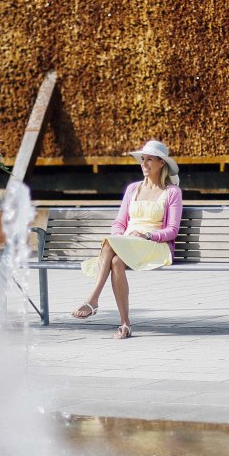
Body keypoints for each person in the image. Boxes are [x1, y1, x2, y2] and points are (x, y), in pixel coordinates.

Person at [70, 140, 183, 339]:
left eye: (149, 160)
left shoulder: (172, 192)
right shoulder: (133, 189)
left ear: (161, 163)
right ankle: (125, 324)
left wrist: (147, 235)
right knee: (115, 259)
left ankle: (93, 299)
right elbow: (119, 222)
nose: (144, 164)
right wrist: (120, 237)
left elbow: (172, 230)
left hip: (153, 245)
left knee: (108, 243)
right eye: (142, 160)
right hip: (127, 243)